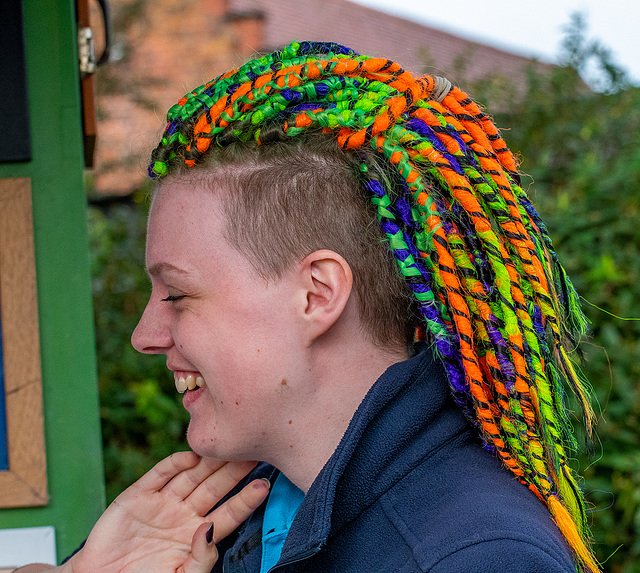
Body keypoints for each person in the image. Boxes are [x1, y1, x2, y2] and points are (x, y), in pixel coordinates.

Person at [19, 40, 600, 572]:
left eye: (176, 295)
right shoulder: (205, 520)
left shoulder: (474, 557)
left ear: (317, 294)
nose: (145, 335)